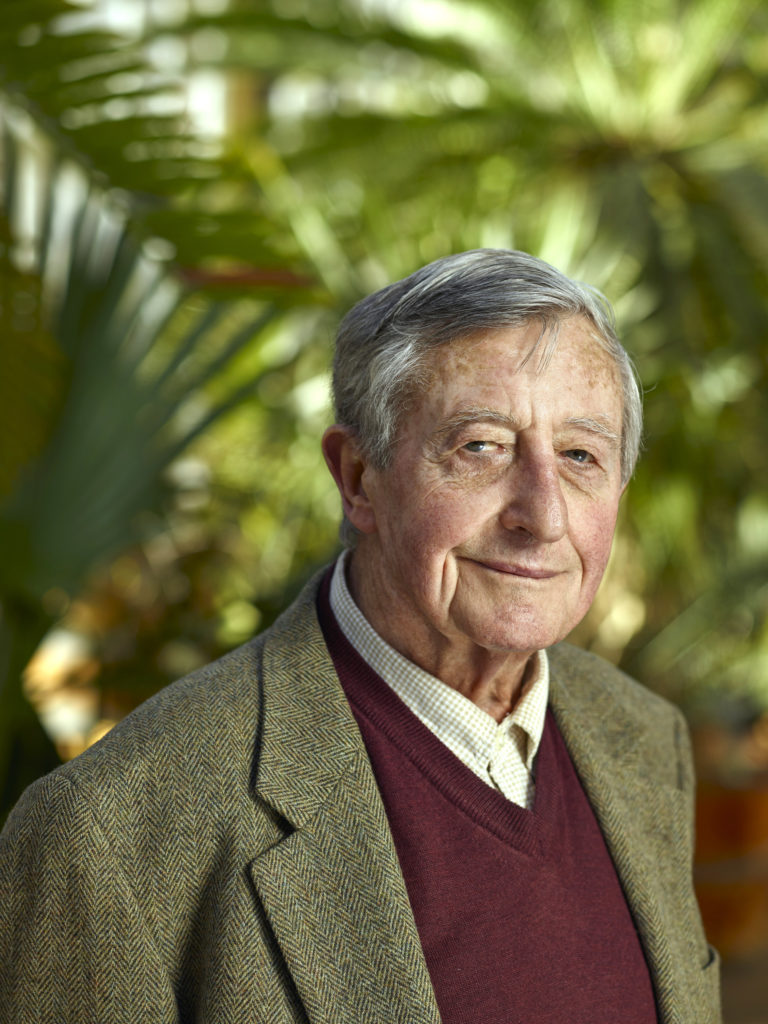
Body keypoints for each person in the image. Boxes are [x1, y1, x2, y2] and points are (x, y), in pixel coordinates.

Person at [0, 249, 719, 1023]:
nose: (542, 516)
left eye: (581, 456)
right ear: (357, 476)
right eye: (481, 446)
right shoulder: (110, 834)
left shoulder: (647, 740)